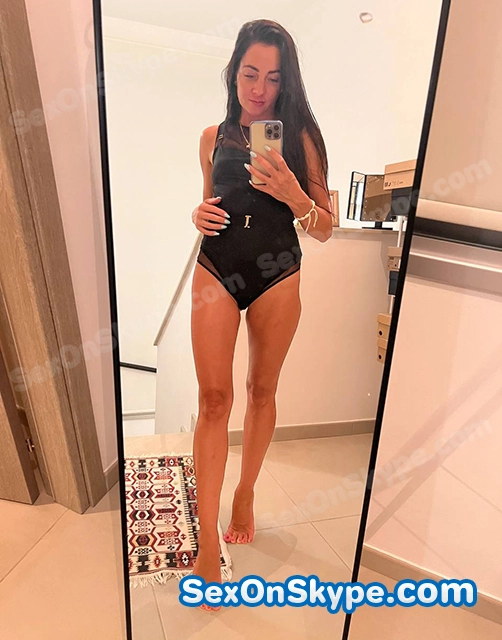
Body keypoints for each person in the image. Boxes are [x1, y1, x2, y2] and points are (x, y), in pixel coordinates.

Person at [190, 18, 333, 610]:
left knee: (261, 391)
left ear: (285, 82)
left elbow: (325, 227)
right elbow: (209, 200)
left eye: (273, 78)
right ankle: (206, 538)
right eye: (250, 73)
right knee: (213, 400)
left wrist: (293, 195)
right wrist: (196, 214)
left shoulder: (300, 139)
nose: (259, 88)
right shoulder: (211, 137)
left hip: (279, 271)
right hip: (217, 266)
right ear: (234, 73)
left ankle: (245, 491)